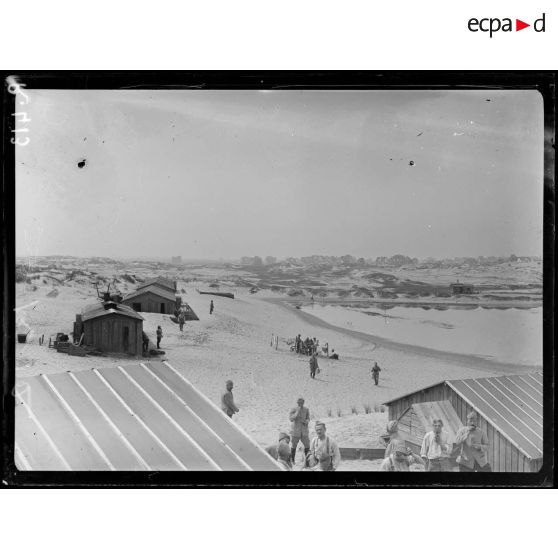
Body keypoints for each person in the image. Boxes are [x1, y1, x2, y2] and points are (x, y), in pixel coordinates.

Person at [289, 397, 311, 464]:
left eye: (301, 402)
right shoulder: (293, 409)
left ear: (303, 402)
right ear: (297, 403)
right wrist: (297, 412)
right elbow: (291, 419)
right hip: (296, 431)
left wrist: (306, 421)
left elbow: (308, 418)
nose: (300, 404)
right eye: (299, 402)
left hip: (304, 431)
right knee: (294, 445)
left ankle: (307, 461)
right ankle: (292, 460)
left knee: (307, 445)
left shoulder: (306, 409)